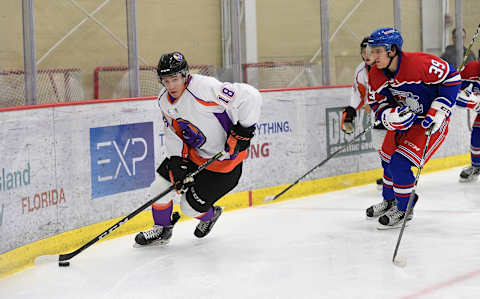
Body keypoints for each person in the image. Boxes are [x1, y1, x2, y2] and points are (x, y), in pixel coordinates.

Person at [134, 52, 262, 246]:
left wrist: (244, 130)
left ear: (185, 75)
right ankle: (162, 229)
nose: (170, 86)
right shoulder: (164, 101)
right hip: (195, 156)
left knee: (188, 209)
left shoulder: (205, 88)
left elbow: (250, 96)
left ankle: (210, 215)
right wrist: (177, 160)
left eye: (175, 79)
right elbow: (173, 131)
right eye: (166, 81)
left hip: (224, 164)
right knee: (159, 187)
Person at [364, 27, 461, 228]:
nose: (372, 56)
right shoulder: (375, 72)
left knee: (399, 163)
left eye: (377, 51)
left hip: (428, 124)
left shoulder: (420, 63)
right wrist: (388, 115)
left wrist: (440, 109)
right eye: (371, 51)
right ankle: (390, 201)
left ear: (392, 50)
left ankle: (404, 207)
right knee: (386, 158)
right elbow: (378, 102)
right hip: (405, 122)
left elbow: (452, 78)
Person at [341, 37, 386, 188]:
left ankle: (399, 174)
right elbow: (358, 94)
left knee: (395, 143)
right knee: (380, 144)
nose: (366, 55)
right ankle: (390, 175)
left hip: (392, 111)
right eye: (363, 51)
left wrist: (374, 103)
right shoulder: (361, 70)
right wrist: (351, 111)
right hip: (377, 114)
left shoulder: (385, 65)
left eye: (370, 51)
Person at [455, 60, 480, 182]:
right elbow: (456, 87)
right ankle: (476, 166)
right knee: (476, 137)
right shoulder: (472, 68)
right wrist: (462, 94)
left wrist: (477, 103)